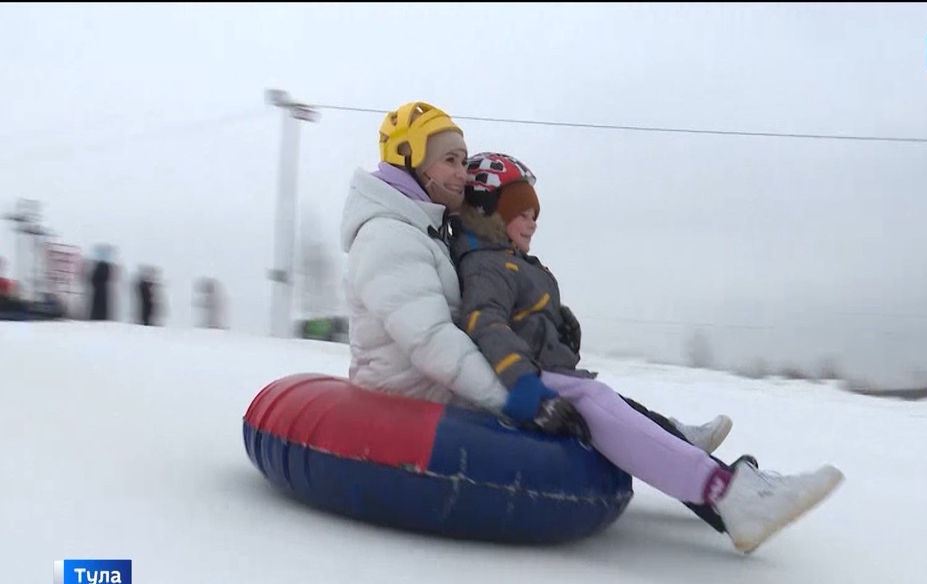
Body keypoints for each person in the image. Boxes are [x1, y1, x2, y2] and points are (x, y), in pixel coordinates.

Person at [448, 151, 845, 555]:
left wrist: (560, 332)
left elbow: (526, 325)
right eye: (521, 212)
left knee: (616, 406)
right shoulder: (486, 265)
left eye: (535, 213)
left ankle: (696, 460)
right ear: (488, 211)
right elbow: (486, 322)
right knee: (600, 404)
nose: (533, 222)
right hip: (529, 381)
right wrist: (524, 386)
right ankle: (724, 489)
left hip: (548, 372)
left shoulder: (511, 262)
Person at [338, 102, 733, 447]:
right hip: (410, 399)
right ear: (409, 159)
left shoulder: (426, 228)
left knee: (577, 393)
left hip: (442, 387)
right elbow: (432, 339)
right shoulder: (388, 237)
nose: (462, 173)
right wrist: (516, 399)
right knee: (573, 401)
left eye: (463, 161)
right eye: (450, 161)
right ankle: (672, 445)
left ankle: (669, 436)